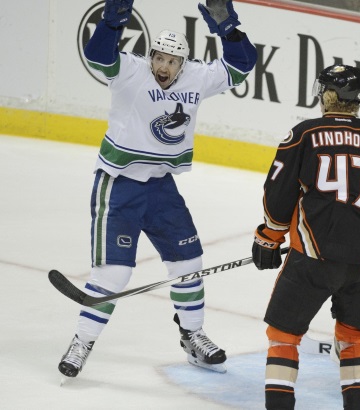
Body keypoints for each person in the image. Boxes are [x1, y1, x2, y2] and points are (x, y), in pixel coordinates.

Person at [57, 0, 256, 379]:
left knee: (189, 264)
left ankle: (193, 337)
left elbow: (242, 64)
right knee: (113, 275)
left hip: (161, 188)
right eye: (159, 58)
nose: (163, 67)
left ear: (183, 64)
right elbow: (98, 56)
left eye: (171, 61)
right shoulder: (131, 71)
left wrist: (228, 27)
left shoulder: (197, 78)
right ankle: (82, 341)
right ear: (150, 56)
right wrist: (113, 19)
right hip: (119, 185)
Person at [251, 65, 360, 410]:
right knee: (355, 336)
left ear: (328, 94)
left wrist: (269, 237)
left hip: (312, 260)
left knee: (284, 336)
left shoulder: (303, 134)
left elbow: (278, 194)